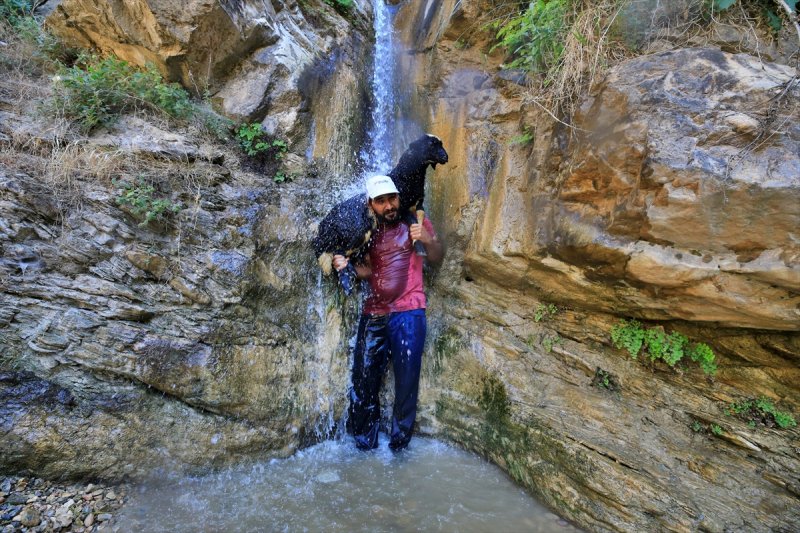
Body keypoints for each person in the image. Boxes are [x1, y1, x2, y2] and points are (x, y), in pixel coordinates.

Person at [332, 174, 443, 451]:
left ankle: (398, 446)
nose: (389, 205)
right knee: (364, 379)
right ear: (371, 204)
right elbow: (370, 270)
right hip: (375, 311)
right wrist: (345, 266)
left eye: (392, 198)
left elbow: (437, 258)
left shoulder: (413, 221)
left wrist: (427, 239)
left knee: (406, 381)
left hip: (409, 310)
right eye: (381, 201)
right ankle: (364, 444)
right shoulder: (366, 232)